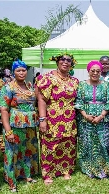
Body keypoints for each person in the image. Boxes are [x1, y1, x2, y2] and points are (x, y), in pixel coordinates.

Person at [36, 52, 79, 185]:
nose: (65, 62)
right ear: (57, 61)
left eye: (68, 60)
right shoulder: (48, 78)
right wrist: (42, 119)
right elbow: (42, 99)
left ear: (72, 64)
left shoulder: (74, 81)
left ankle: (65, 169)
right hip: (52, 119)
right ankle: (48, 173)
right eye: (62, 59)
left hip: (69, 119)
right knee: (50, 145)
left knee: (68, 143)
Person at [0, 59, 39, 192]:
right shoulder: (8, 87)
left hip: (30, 125)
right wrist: (8, 131)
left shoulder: (29, 85)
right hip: (15, 125)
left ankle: (27, 175)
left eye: (23, 70)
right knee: (12, 152)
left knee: (27, 150)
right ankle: (12, 181)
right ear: (13, 72)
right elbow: (4, 110)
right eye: (18, 70)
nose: (21, 73)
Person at [75, 60, 109, 179]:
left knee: (104, 143)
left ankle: (105, 167)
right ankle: (88, 167)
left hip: (103, 119)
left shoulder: (106, 85)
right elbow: (78, 102)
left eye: (98, 71)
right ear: (88, 71)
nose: (95, 73)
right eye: (92, 71)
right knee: (87, 143)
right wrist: (86, 116)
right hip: (86, 119)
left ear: (101, 72)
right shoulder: (82, 85)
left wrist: (101, 116)